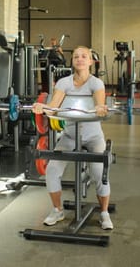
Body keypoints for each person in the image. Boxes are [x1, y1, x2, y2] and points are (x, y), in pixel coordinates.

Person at [32, 46, 113, 230]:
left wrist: (100, 107)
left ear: (91, 61)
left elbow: (100, 103)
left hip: (93, 136)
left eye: (84, 56)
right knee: (52, 169)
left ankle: (104, 213)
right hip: (69, 135)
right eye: (76, 56)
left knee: (99, 173)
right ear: (72, 61)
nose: (80, 59)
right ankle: (57, 210)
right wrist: (41, 107)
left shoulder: (96, 83)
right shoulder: (63, 83)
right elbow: (53, 107)